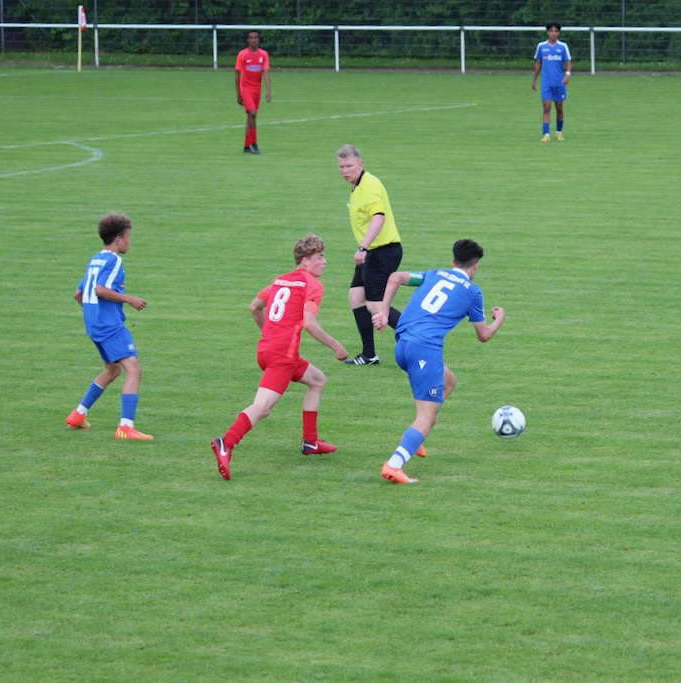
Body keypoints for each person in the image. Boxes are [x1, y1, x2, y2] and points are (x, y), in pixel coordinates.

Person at [210, 234, 349, 481]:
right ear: (305, 261)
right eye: (320, 257)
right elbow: (310, 324)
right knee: (262, 407)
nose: (325, 262)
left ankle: (310, 442)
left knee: (317, 380)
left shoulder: (279, 280)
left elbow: (255, 307)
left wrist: (269, 333)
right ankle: (226, 443)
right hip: (282, 356)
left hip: (269, 351)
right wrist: (336, 346)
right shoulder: (312, 285)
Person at [371, 239, 505, 484]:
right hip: (424, 350)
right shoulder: (473, 292)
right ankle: (394, 464)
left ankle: (414, 437)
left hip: (403, 345)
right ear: (476, 266)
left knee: (449, 381)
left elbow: (395, 278)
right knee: (427, 417)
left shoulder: (433, 274)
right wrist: (500, 319)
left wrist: (383, 313)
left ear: (453, 262)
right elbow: (483, 335)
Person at [66, 213, 153, 441]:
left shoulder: (96, 259)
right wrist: (130, 299)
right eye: (128, 237)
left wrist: (92, 314)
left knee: (113, 370)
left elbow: (78, 293)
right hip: (109, 326)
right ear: (118, 240)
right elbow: (100, 290)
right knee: (133, 369)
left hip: (94, 325)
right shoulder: (114, 261)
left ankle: (78, 414)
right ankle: (126, 426)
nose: (129, 242)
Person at [336, 144, 405, 367]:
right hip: (372, 252)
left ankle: (420, 337)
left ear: (360, 163)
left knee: (376, 306)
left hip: (382, 251)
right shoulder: (357, 186)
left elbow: (379, 217)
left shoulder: (369, 185)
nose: (345, 171)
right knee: (356, 297)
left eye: (349, 166)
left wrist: (363, 248)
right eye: (341, 167)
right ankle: (369, 355)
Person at [531, 21, 572, 143]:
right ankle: (546, 134)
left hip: (559, 83)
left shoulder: (563, 47)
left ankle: (559, 132)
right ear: (547, 33)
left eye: (556, 31)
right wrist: (534, 80)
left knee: (559, 108)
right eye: (551, 31)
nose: (553, 33)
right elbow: (538, 63)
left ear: (559, 33)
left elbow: (568, 62)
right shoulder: (541, 46)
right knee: (547, 107)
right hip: (546, 83)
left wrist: (567, 75)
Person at [235, 29, 271, 154]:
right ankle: (254, 144)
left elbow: (266, 73)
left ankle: (246, 146)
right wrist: (238, 94)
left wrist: (268, 91)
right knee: (252, 113)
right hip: (245, 88)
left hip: (257, 89)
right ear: (247, 40)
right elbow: (237, 75)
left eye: (256, 37)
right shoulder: (242, 55)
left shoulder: (263, 55)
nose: (254, 40)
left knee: (250, 116)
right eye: (251, 38)